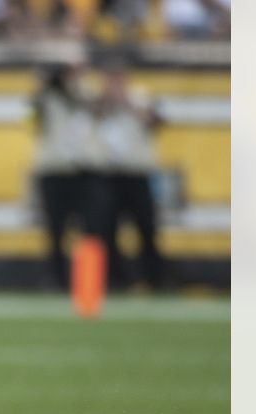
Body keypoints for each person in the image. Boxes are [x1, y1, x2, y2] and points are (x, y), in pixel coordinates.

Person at [30, 62, 107, 289]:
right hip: (54, 170)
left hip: (85, 170)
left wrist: (75, 88)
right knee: (55, 230)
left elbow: (101, 111)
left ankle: (90, 280)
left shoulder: (87, 92)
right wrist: (45, 86)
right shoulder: (46, 98)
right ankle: (57, 280)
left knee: (92, 228)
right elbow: (31, 118)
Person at [95, 64, 165, 290]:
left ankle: (155, 278)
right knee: (108, 229)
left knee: (146, 227)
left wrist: (128, 103)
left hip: (137, 172)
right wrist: (108, 102)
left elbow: (156, 122)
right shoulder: (99, 101)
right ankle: (116, 280)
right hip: (109, 173)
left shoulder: (140, 96)